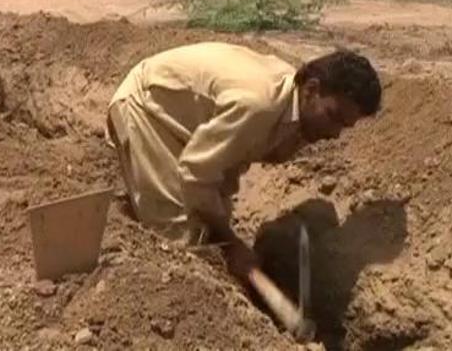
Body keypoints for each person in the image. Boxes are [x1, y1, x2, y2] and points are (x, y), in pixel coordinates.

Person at [105, 42, 381, 280]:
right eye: (333, 117)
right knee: (179, 242)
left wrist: (223, 234)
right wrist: (230, 241)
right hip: (146, 106)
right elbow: (196, 174)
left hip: (186, 120)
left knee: (208, 228)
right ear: (311, 89)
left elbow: (229, 162)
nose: (334, 133)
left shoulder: (291, 107)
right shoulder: (257, 105)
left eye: (345, 126)